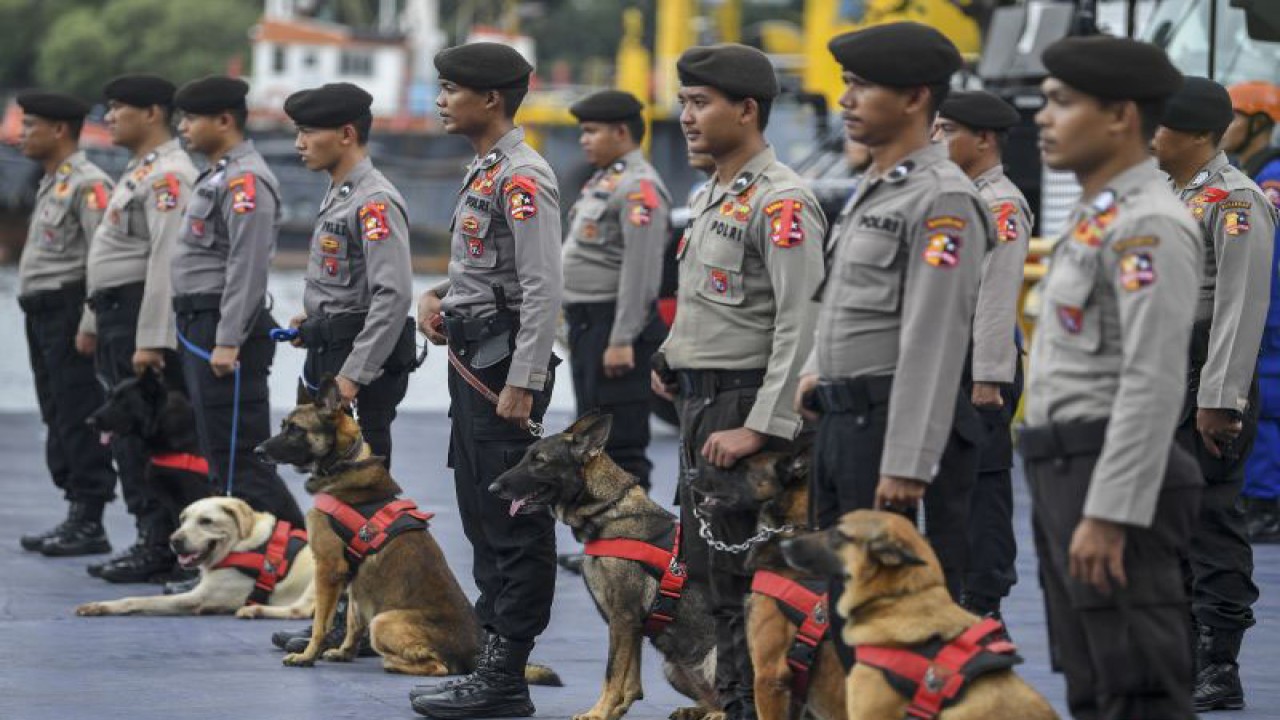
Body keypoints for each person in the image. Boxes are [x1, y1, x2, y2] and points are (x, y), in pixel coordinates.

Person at [794, 22, 989, 669]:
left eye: (861, 85)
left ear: (914, 99)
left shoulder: (943, 198)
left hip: (883, 430)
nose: (845, 99)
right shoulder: (877, 186)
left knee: (889, 624)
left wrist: (907, 462)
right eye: (846, 84)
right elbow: (846, 301)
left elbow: (933, 337)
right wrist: (817, 369)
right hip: (841, 423)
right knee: (848, 612)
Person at [1020, 36, 1201, 718]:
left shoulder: (1148, 224)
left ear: (1122, 116)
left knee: (1137, 686)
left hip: (1112, 476)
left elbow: (1152, 381)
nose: (1043, 118)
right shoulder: (1100, 218)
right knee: (1093, 684)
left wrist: (1109, 511)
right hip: (1065, 467)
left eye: (1062, 103)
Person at [652, 43, 826, 720]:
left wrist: (762, 424)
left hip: (743, 406)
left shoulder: (782, 203)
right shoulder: (716, 194)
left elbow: (800, 322)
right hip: (704, 404)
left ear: (747, 110)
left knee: (750, 580)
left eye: (700, 103)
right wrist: (672, 356)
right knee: (711, 574)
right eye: (685, 101)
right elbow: (704, 299)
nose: (685, 116)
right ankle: (734, 705)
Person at [409, 43, 561, 720]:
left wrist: (525, 380)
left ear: (491, 99)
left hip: (503, 372)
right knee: (478, 512)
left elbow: (541, 284)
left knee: (512, 523)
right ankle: (490, 659)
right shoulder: (489, 171)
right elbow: (488, 271)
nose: (440, 100)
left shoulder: (523, 177)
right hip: (475, 362)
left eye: (450, 89)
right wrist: (439, 296)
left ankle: (506, 676)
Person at [1153, 76, 1276, 712]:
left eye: (1161, 125)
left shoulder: (1236, 201)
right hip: (1160, 371)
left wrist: (1220, 397)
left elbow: (1240, 306)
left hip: (1206, 373)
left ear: (1201, 134)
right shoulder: (1163, 193)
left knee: (1208, 520)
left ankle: (1218, 664)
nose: (1148, 136)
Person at [170, 76, 303, 527]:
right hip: (201, 323)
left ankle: (297, 562)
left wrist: (227, 340)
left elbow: (248, 266)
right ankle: (244, 568)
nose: (182, 127)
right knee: (220, 458)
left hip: (223, 329)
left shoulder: (246, 180)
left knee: (239, 460)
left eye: (191, 118)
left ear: (224, 120)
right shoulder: (219, 174)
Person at [82, 74, 198, 584]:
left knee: (137, 434)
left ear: (152, 113)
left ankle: (159, 542)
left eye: (117, 108)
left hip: (137, 318)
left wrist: (151, 339)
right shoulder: (140, 171)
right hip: (114, 315)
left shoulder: (170, 175)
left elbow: (164, 260)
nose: (108, 117)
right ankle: (146, 536)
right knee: (119, 432)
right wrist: (91, 320)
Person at [933, 89, 1032, 619]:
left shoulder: (1001, 204)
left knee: (982, 489)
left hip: (979, 366)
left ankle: (984, 600)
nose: (936, 139)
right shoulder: (959, 194)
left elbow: (997, 294)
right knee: (950, 487)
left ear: (985, 139)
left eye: (948, 130)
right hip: (951, 361)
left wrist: (989, 376)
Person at [284, 82, 415, 462]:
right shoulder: (341, 193)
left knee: (361, 491)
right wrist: (313, 318)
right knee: (331, 488)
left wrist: (354, 376)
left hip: (356, 366)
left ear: (346, 134)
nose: (299, 143)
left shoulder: (373, 201)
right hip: (330, 352)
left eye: (308, 131)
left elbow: (393, 295)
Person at [15, 91, 118, 558]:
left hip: (68, 312)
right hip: (40, 314)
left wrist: (91, 321)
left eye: (31, 124)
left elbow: (103, 256)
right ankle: (75, 508)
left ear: (59, 130)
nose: (22, 133)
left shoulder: (89, 184)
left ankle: (90, 518)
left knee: (79, 413)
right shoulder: (51, 181)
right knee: (55, 412)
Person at [563, 89, 671, 489]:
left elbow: (641, 271)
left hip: (614, 327)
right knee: (592, 443)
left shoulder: (639, 188)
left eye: (591, 131)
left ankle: (633, 549)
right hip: (590, 326)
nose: (583, 139)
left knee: (621, 446)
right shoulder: (606, 181)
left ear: (621, 132)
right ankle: (602, 546)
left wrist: (623, 338)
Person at [1224, 81, 1280, 540]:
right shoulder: (1248, 171)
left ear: (1259, 124)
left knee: (1268, 402)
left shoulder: (1271, 177)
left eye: (1235, 117)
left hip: (1272, 308)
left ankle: (1266, 502)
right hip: (1263, 304)